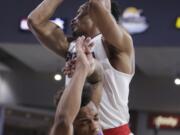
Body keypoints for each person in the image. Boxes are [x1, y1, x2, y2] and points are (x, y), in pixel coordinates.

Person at [28, 0, 135, 134]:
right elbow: (35, 21)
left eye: (80, 13)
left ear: (97, 15)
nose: (74, 18)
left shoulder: (119, 43)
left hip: (113, 130)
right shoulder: (73, 47)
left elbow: (97, 5)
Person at [50, 36, 104, 135]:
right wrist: (81, 69)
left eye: (96, 118)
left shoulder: (96, 131)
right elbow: (64, 120)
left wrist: (90, 66)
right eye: (84, 122)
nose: (95, 127)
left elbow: (98, 80)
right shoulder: (63, 128)